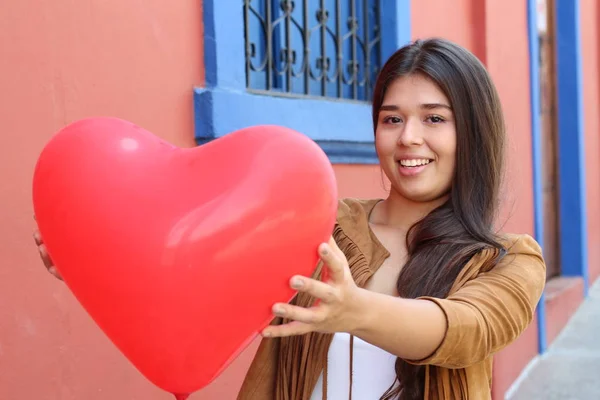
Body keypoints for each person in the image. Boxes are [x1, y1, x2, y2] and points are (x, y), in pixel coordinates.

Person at [34, 38, 546, 400]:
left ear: (474, 132)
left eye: (435, 118)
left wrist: (354, 310)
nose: (408, 137)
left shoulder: (507, 258)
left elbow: (467, 329)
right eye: (391, 119)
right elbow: (208, 280)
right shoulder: (315, 226)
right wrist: (102, 261)